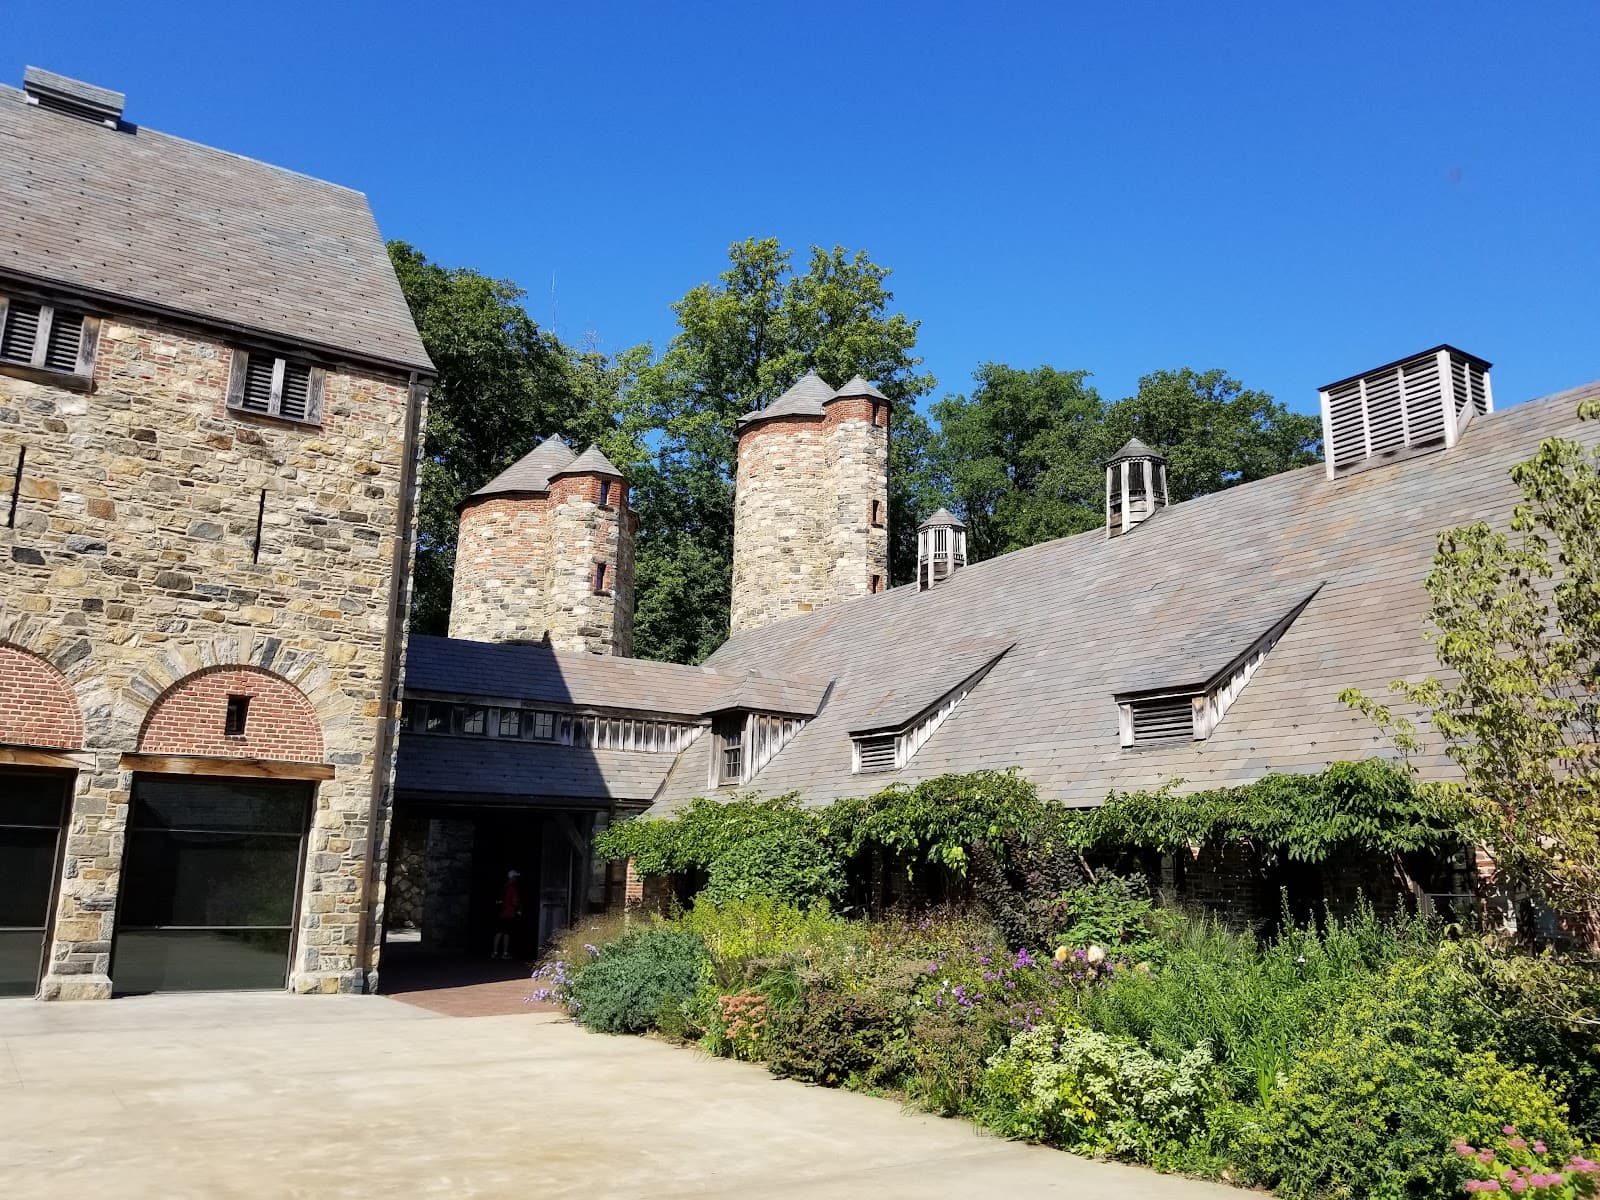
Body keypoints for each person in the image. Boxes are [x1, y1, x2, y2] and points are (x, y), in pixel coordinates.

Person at [491, 869, 522, 961]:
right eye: (515, 877)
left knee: (499, 932)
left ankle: (495, 952)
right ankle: (505, 953)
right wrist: (518, 910)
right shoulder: (512, 888)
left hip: (501, 912)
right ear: (512, 878)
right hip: (509, 913)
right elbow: (515, 901)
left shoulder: (503, 887)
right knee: (507, 933)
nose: (516, 879)